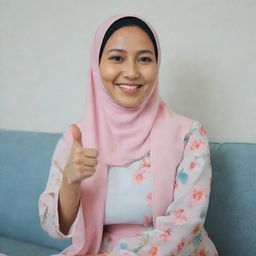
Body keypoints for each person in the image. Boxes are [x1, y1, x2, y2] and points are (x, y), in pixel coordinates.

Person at [38, 14, 219, 256]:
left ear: (157, 65)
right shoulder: (76, 139)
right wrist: (70, 182)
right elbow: (52, 228)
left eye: (144, 59)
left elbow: (186, 224)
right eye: (117, 58)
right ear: (96, 64)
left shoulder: (189, 135)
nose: (131, 72)